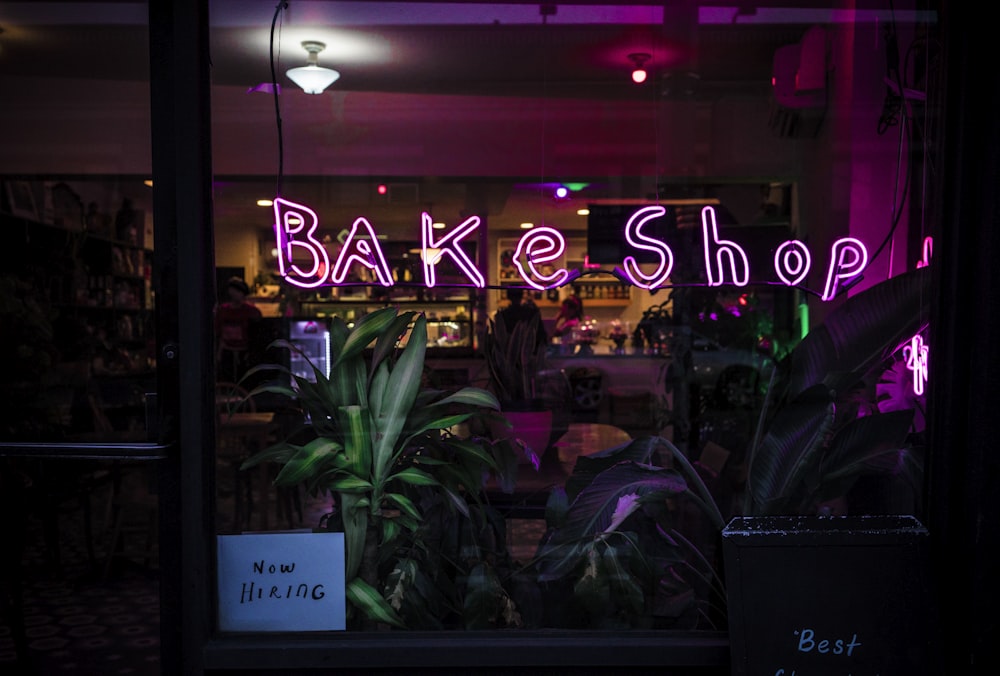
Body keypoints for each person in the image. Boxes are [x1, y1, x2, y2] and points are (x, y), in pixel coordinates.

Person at [215, 277, 262, 383]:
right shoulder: (222, 310)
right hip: (226, 351)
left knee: (244, 381)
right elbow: (218, 332)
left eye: (239, 291)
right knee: (227, 380)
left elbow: (256, 334)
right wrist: (218, 353)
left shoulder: (251, 311)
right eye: (234, 290)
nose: (236, 293)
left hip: (244, 352)